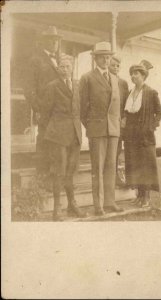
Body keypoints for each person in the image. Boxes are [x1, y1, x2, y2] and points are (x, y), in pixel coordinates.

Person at [79, 42, 124, 216]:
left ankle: (110, 201)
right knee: (97, 168)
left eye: (108, 57)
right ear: (95, 58)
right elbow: (82, 107)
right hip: (96, 130)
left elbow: (116, 106)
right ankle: (98, 205)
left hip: (113, 130)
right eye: (103, 57)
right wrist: (90, 125)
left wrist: (116, 124)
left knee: (111, 166)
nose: (106, 60)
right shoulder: (87, 78)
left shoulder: (114, 78)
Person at [42, 54, 86, 221]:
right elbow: (45, 113)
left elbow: (79, 108)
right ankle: (56, 209)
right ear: (58, 68)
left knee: (71, 171)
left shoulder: (77, 84)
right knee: (59, 172)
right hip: (59, 136)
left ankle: (72, 205)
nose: (64, 69)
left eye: (67, 66)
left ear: (72, 68)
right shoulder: (52, 86)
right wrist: (53, 132)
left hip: (75, 134)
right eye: (61, 66)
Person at [123, 60, 161, 207]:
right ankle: (139, 195)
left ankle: (146, 197)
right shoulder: (130, 92)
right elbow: (127, 112)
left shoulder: (150, 92)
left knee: (146, 166)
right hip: (131, 135)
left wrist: (151, 127)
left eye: (136, 73)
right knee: (135, 165)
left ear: (143, 75)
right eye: (132, 74)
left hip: (145, 136)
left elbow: (159, 113)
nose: (133, 76)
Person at [24, 26, 60, 176]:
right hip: (45, 111)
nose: (54, 43)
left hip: (59, 111)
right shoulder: (36, 60)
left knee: (57, 144)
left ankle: (55, 179)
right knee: (44, 143)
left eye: (56, 40)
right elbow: (29, 89)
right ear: (44, 41)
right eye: (51, 39)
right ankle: (42, 178)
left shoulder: (59, 61)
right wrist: (38, 109)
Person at [109, 55, 129, 188]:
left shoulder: (123, 83)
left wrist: (124, 118)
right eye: (113, 65)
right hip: (108, 121)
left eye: (117, 66)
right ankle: (107, 178)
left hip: (119, 122)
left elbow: (126, 103)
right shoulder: (105, 80)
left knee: (116, 150)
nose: (115, 68)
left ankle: (115, 177)